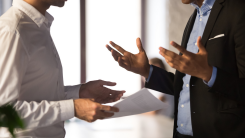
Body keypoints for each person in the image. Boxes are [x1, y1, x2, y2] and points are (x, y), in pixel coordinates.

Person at [106, 0, 245, 137]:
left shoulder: (238, 10)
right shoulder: (194, 18)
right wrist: (147, 71)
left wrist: (209, 74)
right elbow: (186, 85)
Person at [0, 0, 125, 137]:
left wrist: (78, 93)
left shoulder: (36, 26)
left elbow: (37, 95)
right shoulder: (13, 30)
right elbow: (3, 112)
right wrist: (72, 108)